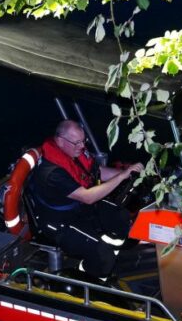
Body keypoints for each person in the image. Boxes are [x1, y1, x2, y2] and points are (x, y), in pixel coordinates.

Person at [30, 120, 144, 282]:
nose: (82, 146)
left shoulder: (73, 153)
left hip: (79, 208)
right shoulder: (52, 173)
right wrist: (121, 177)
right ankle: (87, 278)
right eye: (77, 142)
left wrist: (128, 172)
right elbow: (88, 197)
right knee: (102, 254)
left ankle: (109, 257)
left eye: (84, 141)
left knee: (121, 217)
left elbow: (97, 172)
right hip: (59, 222)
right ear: (60, 141)